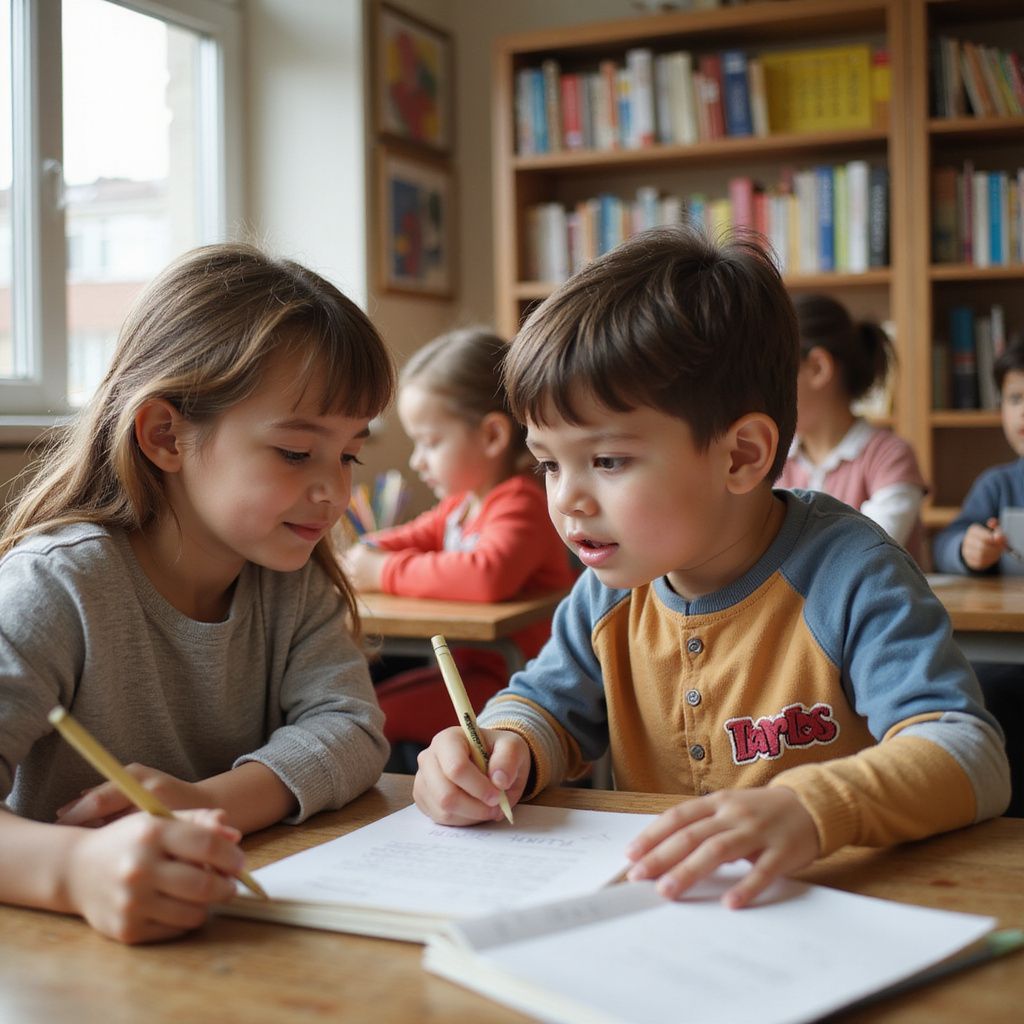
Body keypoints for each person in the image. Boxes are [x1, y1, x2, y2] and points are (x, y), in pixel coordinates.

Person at [412, 225, 1010, 909]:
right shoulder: (606, 595)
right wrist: (499, 743)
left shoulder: (852, 573)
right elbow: (545, 704)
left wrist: (811, 808)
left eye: (606, 461)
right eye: (549, 463)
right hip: (669, 917)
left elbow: (969, 753)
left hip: (834, 912)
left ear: (741, 456)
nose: (567, 498)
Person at [0, 243, 395, 943]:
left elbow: (353, 730)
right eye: (297, 453)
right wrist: (75, 870)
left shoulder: (291, 583)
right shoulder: (55, 585)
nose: (336, 490)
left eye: (350, 453)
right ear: (166, 436)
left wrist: (210, 804)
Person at [343, 328, 576, 772]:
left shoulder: (522, 502)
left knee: (376, 718)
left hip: (522, 687)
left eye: (430, 442)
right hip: (468, 675)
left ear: (491, 436)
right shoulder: (460, 507)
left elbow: (486, 575)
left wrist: (383, 572)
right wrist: (363, 553)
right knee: (369, 705)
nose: (416, 461)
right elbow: (404, 537)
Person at [933, 340, 1024, 817]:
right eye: (1015, 398)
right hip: (1007, 652)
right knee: (982, 689)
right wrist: (970, 551)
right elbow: (947, 546)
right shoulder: (999, 484)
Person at [777, 294, 928, 562]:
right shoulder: (775, 461)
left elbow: (869, 553)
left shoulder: (890, 457)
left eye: (773, 372)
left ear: (818, 368)